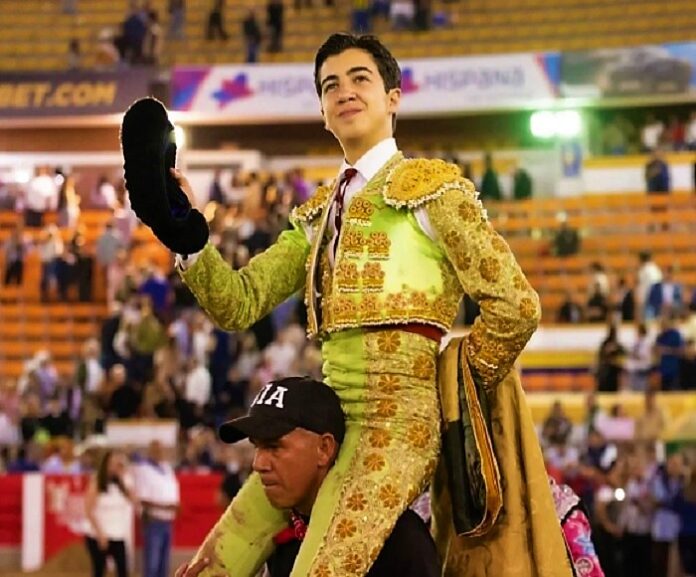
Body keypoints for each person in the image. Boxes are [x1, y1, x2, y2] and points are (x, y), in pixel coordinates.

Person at [129, 33, 570, 577]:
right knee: (215, 562)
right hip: (323, 421)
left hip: (400, 429)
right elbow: (239, 304)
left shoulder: (434, 192)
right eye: (330, 85)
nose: (344, 92)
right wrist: (188, 239)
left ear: (393, 97)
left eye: (360, 79)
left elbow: (516, 307)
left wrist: (452, 383)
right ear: (322, 111)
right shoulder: (317, 215)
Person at [175, 376, 441, 577]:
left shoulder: (396, 539)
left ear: (324, 449)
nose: (258, 464)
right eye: (257, 447)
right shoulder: (282, 534)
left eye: (274, 446)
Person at [83, 449, 138, 577]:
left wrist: (123, 477)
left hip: (117, 534)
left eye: (117, 464)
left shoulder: (122, 484)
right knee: (99, 571)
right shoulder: (97, 483)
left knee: (122, 571)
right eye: (111, 463)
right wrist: (100, 534)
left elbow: (135, 500)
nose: (114, 467)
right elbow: (88, 511)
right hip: (99, 535)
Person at [134, 440, 180, 577]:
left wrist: (174, 506)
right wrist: (166, 507)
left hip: (168, 522)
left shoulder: (167, 468)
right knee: (152, 565)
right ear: (150, 451)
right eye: (155, 450)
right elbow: (142, 499)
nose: (159, 453)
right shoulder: (143, 469)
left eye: (161, 450)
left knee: (163, 565)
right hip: (154, 521)